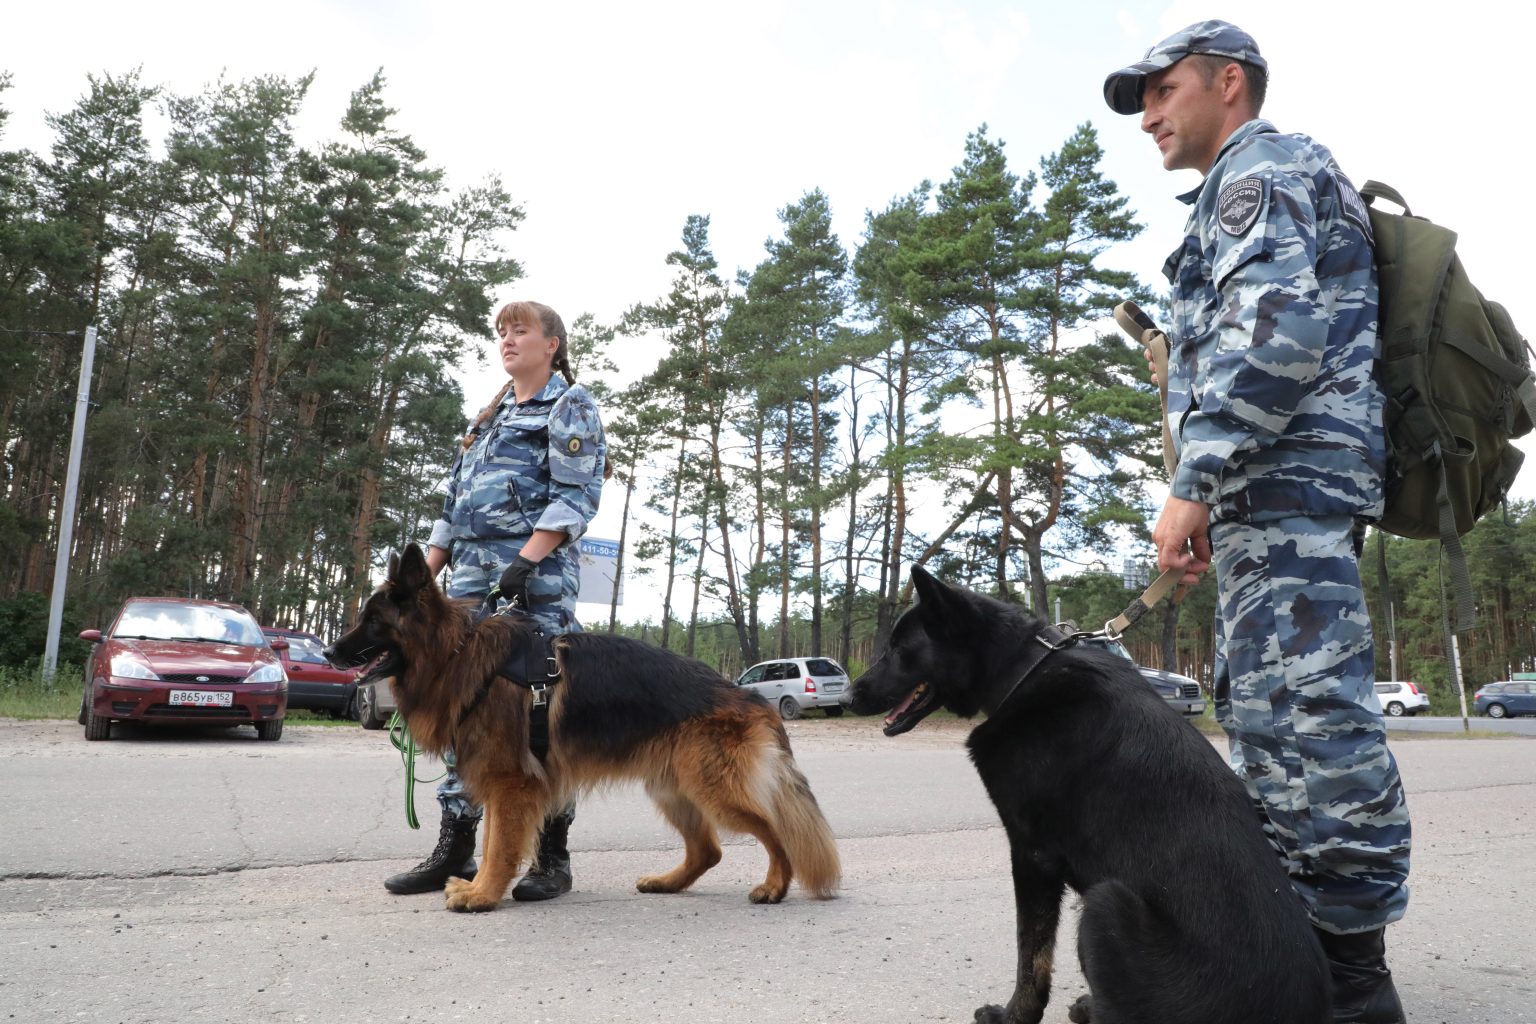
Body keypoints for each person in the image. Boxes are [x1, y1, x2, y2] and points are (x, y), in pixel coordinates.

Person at [1104, 22, 1410, 1024]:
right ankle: (1293, 961)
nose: (1148, 115)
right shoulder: (1244, 185)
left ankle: (1353, 982)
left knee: (1313, 723)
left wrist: (1194, 479)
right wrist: (1209, 495)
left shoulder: (1262, 170)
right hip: (1264, 493)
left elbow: (1278, 338)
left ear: (1227, 83)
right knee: (1271, 720)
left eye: (1162, 91)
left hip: (1287, 485)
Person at [383, 299, 607, 902]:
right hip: (468, 585)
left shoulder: (569, 406)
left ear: (552, 343)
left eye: (521, 330)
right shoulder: (489, 414)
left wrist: (525, 561)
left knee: (539, 719)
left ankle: (551, 857)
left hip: (535, 581)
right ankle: (455, 846)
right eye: (502, 332)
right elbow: (453, 509)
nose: (508, 340)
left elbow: (576, 496)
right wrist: (416, 585)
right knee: (460, 710)